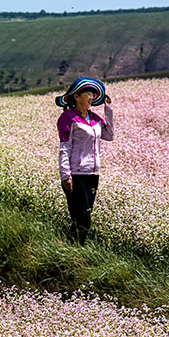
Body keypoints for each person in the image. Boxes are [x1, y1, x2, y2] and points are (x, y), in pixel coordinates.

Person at [55, 76, 114, 246]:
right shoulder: (68, 117)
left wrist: (107, 109)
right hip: (76, 174)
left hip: (92, 174)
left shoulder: (94, 118)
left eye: (93, 94)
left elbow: (109, 136)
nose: (92, 97)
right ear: (76, 96)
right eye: (88, 93)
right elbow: (64, 147)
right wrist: (66, 176)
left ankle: (71, 251)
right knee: (82, 219)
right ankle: (75, 252)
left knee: (84, 216)